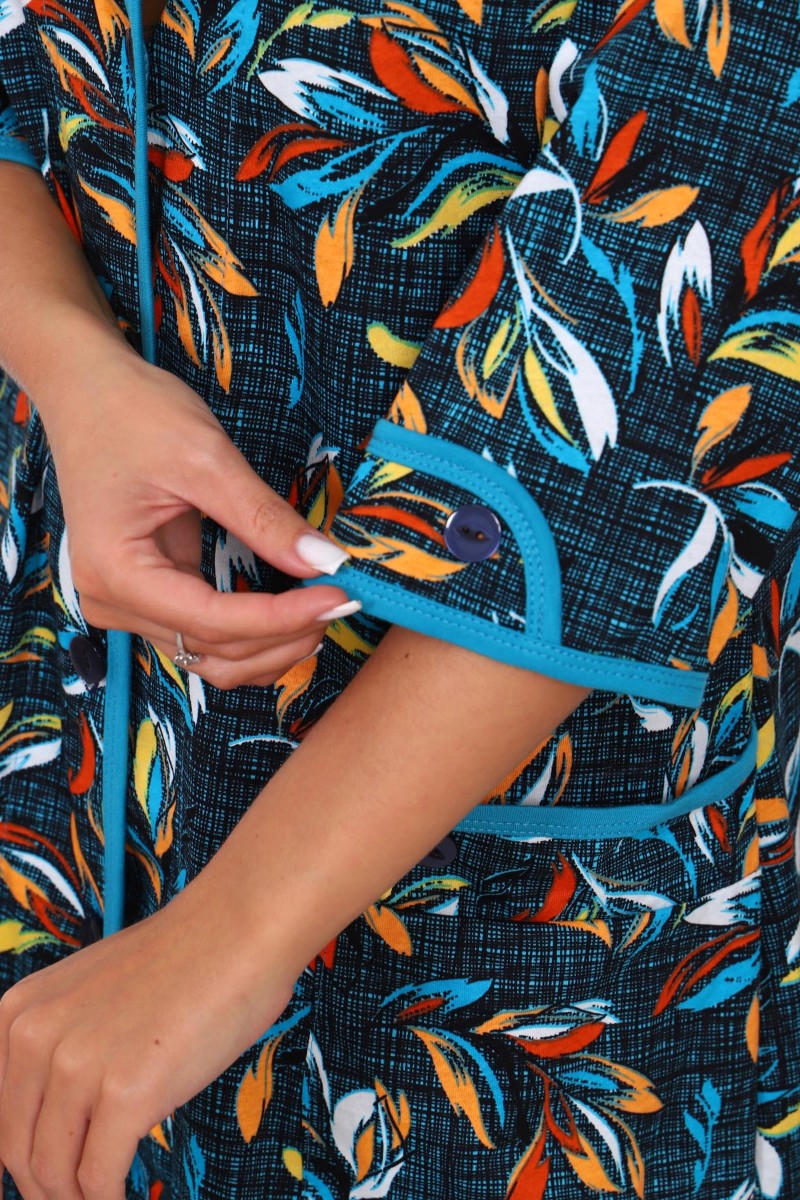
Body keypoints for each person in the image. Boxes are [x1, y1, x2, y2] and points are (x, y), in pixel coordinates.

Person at [0, 0, 798, 1196]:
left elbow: (676, 289)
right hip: (88, 745)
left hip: (497, 882)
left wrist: (240, 925)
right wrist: (71, 365)